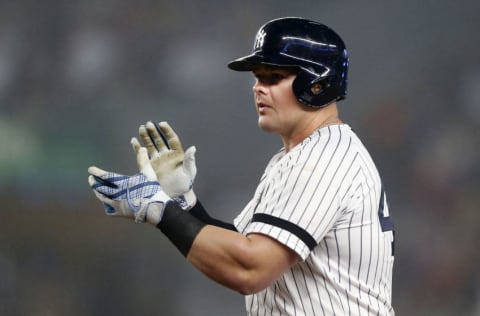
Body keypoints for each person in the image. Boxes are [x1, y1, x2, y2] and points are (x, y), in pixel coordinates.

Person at [88, 17, 395, 315]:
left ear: (317, 85)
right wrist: (183, 204)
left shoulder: (324, 160)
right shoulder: (303, 155)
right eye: (258, 77)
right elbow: (239, 243)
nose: (258, 88)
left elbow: (249, 269)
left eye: (273, 78)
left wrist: (158, 211)